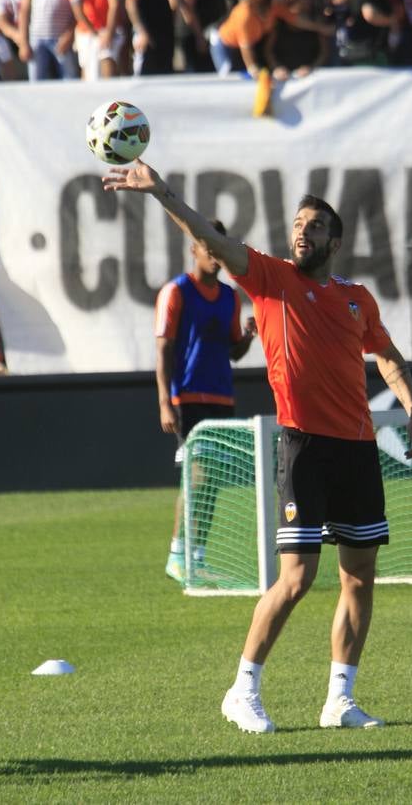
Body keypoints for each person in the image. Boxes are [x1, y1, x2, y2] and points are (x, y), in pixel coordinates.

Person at [102, 159, 412, 734]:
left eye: (315, 225)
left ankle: (339, 701)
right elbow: (211, 240)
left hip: (356, 449)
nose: (302, 230)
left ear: (336, 240)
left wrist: (411, 405)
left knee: (359, 577)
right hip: (304, 446)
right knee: (297, 579)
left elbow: (387, 355)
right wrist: (161, 194)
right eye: (297, 223)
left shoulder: (357, 298)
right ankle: (242, 689)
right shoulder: (272, 279)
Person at [155, 220, 257, 582]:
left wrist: (247, 336)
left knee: (214, 478)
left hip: (221, 397)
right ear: (193, 250)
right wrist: (166, 403)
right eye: (207, 248)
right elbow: (164, 349)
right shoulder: (178, 291)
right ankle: (176, 555)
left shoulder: (230, 297)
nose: (215, 256)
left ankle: (198, 555)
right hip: (188, 398)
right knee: (195, 477)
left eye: (219, 248)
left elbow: (233, 352)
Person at [210, 0, 333, 78]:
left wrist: (320, 28)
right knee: (227, 76)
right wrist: (253, 69)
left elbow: (296, 20)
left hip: (248, 45)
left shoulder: (275, 7)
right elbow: (246, 49)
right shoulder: (244, 15)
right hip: (225, 44)